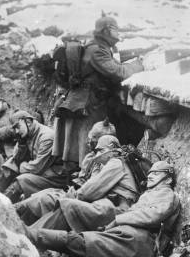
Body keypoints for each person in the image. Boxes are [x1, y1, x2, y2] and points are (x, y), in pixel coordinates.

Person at [29, 161, 180, 257]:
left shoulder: (167, 193)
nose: (150, 175)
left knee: (82, 242)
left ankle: (31, 237)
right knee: (81, 250)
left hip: (142, 244)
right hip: (130, 238)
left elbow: (153, 216)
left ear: (167, 180)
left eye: (156, 173)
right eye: (150, 172)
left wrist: (118, 220)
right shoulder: (149, 194)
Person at [52, 15, 144, 166]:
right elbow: (119, 72)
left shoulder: (98, 47)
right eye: (115, 29)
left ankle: (78, 172)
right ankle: (84, 174)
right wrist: (139, 65)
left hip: (83, 100)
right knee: (87, 143)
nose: (118, 33)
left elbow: (114, 66)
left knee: (79, 145)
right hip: (88, 103)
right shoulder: (97, 50)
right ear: (106, 31)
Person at [23, 135, 138, 231]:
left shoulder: (116, 162)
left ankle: (31, 236)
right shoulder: (112, 163)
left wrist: (75, 195)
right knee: (59, 201)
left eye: (100, 150)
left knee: (68, 206)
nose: (97, 154)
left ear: (112, 148)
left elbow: (90, 190)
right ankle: (30, 232)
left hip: (117, 211)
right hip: (108, 206)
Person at [14, 120, 117, 225]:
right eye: (90, 136)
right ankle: (15, 217)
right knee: (40, 196)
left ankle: (20, 223)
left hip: (84, 201)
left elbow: (91, 190)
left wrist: (73, 192)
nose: (89, 141)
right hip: (76, 194)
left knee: (44, 199)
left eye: (94, 138)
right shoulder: (90, 156)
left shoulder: (108, 163)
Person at [2, 110, 68, 202]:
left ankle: (2, 205)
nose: (16, 131)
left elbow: (37, 168)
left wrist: (23, 166)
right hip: (42, 174)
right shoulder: (28, 134)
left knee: (22, 180)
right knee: (9, 170)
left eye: (18, 127)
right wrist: (21, 145)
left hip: (55, 178)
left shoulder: (46, 137)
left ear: (28, 122)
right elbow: (15, 160)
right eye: (14, 128)